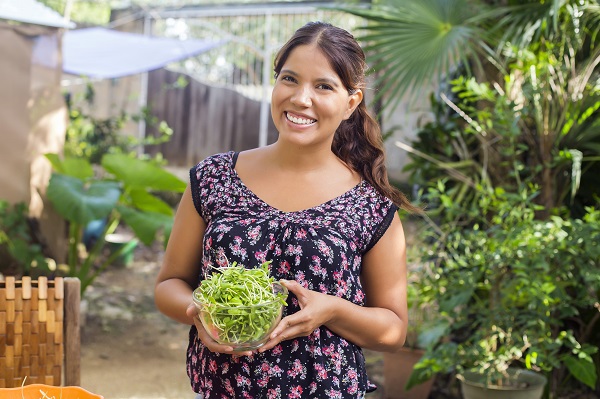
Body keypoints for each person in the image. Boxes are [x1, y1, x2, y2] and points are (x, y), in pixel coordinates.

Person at [155, 21, 419, 399]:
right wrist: (199, 314)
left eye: (323, 86)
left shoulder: (370, 207)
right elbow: (169, 284)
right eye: (290, 79)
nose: (301, 98)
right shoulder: (213, 178)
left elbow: (393, 330)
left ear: (351, 103)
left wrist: (333, 310)